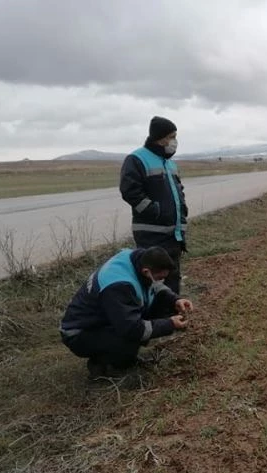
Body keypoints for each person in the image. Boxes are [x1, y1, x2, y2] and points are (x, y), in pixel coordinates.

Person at [59, 246, 193, 381]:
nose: (161, 281)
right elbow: (132, 329)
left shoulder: (138, 260)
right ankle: (100, 364)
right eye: (160, 277)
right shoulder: (118, 286)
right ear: (147, 272)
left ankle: (125, 358)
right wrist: (169, 324)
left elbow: (155, 286)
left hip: (105, 319)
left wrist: (175, 300)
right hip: (79, 333)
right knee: (130, 338)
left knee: (159, 308)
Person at [120, 116, 188, 293]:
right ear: (160, 137)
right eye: (172, 137)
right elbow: (130, 191)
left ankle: (173, 315)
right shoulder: (137, 159)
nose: (174, 141)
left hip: (174, 234)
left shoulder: (170, 163)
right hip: (152, 235)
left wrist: (182, 213)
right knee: (153, 281)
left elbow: (178, 192)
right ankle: (154, 319)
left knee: (172, 276)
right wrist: (155, 211)